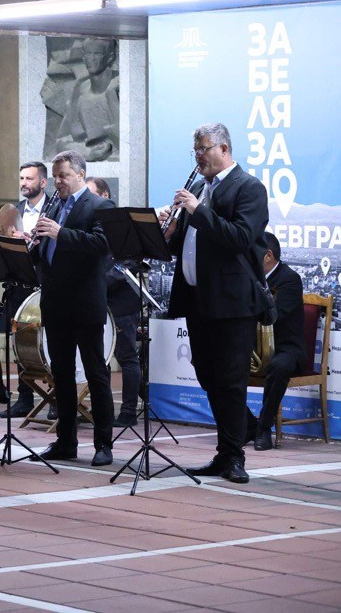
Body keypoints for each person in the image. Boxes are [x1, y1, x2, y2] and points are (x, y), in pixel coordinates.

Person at [166, 123, 269, 484]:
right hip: (198, 299)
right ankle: (232, 444)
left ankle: (234, 457)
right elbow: (186, 244)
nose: (198, 156)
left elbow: (239, 237)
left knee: (231, 379)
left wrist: (198, 211)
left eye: (204, 149)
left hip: (232, 302)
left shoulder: (249, 187)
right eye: (195, 149)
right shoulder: (199, 188)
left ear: (224, 149)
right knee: (208, 375)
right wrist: (169, 230)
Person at [31, 150, 116, 467]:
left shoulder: (100, 206)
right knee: (62, 375)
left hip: (84, 303)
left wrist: (60, 233)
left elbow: (101, 245)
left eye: (63, 175)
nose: (57, 182)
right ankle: (65, 442)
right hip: (55, 302)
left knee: (96, 374)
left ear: (80, 174)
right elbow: (48, 250)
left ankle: (103, 444)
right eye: (55, 176)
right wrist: (33, 244)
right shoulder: (55, 204)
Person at [86, 176, 143, 428]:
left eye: (91, 195)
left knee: (126, 356)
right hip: (97, 301)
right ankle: (103, 409)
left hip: (121, 302)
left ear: (105, 195)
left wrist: (98, 283)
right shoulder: (89, 223)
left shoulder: (124, 225)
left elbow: (128, 264)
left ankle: (129, 411)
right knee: (101, 359)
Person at [0, 162, 49, 418]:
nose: (24, 183)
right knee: (19, 341)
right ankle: (24, 398)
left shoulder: (53, 208)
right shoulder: (13, 211)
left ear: (43, 182)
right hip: (18, 284)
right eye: (22, 178)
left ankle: (56, 399)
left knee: (48, 342)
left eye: (29, 178)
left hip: (44, 283)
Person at [247, 233, 306, 452]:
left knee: (279, 367)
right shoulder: (249, 275)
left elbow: (276, 316)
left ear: (268, 256)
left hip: (285, 347)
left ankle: (263, 427)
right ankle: (248, 425)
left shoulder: (290, 279)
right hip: (254, 347)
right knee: (216, 365)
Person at [53, 39, 119, 162]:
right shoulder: (81, 88)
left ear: (110, 57)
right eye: (88, 53)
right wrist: (86, 152)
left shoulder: (119, 87)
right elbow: (60, 141)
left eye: (97, 54)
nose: (91, 59)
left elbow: (126, 142)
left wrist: (111, 95)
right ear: (84, 57)